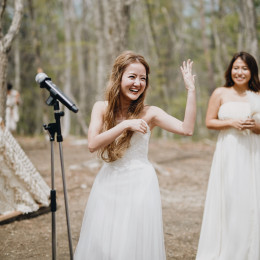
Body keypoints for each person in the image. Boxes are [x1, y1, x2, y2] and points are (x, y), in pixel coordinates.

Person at [74, 50, 196, 260]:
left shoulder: (151, 113)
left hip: (140, 183)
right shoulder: (101, 108)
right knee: (103, 241)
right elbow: (93, 144)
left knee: (131, 241)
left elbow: (187, 129)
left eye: (143, 78)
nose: (137, 83)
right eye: (132, 76)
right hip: (108, 181)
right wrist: (126, 125)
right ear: (118, 77)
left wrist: (191, 90)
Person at [196, 51, 260, 260]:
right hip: (229, 151)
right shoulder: (220, 93)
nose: (239, 72)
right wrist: (231, 123)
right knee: (230, 198)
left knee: (251, 199)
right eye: (236, 68)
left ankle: (249, 250)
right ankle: (225, 249)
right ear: (230, 70)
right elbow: (209, 122)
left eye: (244, 68)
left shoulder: (258, 95)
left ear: (252, 72)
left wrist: (255, 126)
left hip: (252, 152)